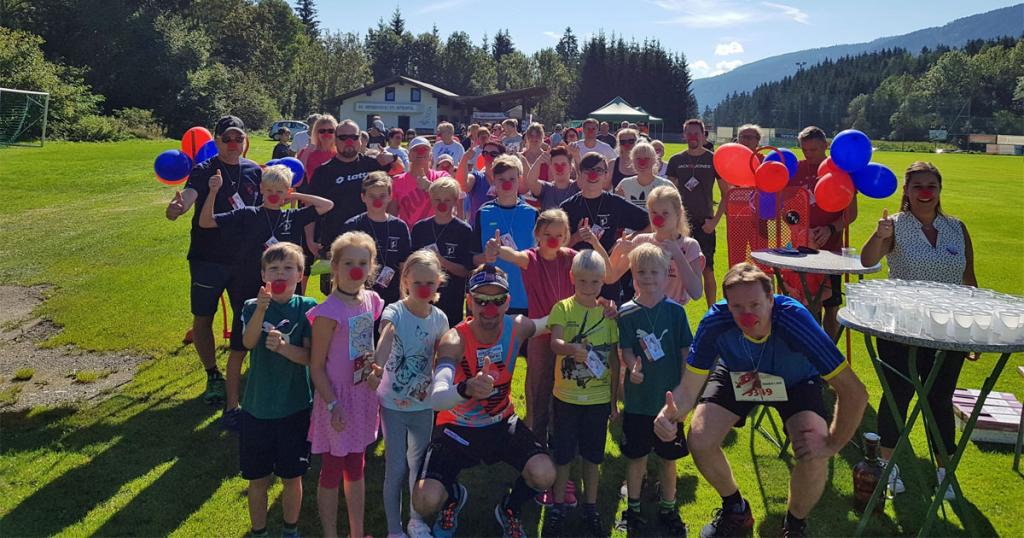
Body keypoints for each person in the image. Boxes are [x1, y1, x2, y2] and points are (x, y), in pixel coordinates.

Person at [654, 263, 869, 538]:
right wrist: (669, 415)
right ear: (727, 304)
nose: (746, 315)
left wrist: (832, 443)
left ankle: (794, 526)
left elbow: (855, 392)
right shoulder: (716, 322)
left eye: (755, 304)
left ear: (771, 298)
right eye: (737, 307)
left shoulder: (794, 320)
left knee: (812, 452)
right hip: (738, 372)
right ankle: (736, 509)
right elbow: (686, 391)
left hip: (796, 381)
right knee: (700, 438)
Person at [860, 161, 977, 500]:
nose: (925, 193)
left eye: (932, 187)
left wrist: (972, 327)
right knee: (899, 394)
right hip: (901, 326)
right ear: (907, 192)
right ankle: (887, 467)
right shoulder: (894, 225)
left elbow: (969, 279)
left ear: (939, 190)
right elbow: (868, 260)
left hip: (948, 327)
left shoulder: (957, 227)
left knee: (941, 397)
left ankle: (945, 470)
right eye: (918, 187)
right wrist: (878, 236)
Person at [412, 265, 555, 538]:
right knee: (424, 501)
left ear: (508, 302)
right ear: (469, 301)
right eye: (481, 301)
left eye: (498, 301)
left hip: (502, 422)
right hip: (457, 426)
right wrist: (465, 388)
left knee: (545, 475)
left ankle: (509, 508)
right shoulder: (454, 339)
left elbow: (553, 319)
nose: (489, 309)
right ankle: (454, 496)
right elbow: (437, 397)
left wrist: (596, 304)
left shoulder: (518, 327)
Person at [199, 165, 333, 426]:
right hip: (248, 289)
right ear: (260, 189)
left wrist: (294, 198)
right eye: (269, 190)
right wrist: (213, 192)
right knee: (240, 348)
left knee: (291, 347)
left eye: (279, 191)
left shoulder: (292, 218)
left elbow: (327, 205)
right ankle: (232, 407)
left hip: (286, 298)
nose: (274, 195)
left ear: (287, 192)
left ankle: (295, 402)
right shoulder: (249, 214)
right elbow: (207, 222)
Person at [483, 209, 610, 456]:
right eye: (547, 234)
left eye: (559, 234)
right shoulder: (531, 258)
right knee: (539, 393)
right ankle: (536, 447)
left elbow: (603, 271)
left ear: (566, 236)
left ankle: (563, 448)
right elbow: (515, 256)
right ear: (538, 234)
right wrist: (498, 250)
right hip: (541, 338)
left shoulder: (572, 258)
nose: (553, 239)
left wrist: (594, 243)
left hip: (571, 336)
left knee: (567, 393)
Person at [165, 115, 262, 406]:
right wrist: (178, 208)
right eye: (227, 139)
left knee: (245, 315)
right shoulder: (204, 170)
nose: (233, 144)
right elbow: (190, 194)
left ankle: (249, 371)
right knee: (203, 318)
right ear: (217, 141)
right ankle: (213, 375)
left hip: (245, 259)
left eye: (238, 139)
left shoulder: (255, 171)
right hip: (208, 258)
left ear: (245, 142)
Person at [237, 242, 317, 538]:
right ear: (263, 275)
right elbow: (246, 343)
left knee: (292, 476)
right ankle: (259, 531)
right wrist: (260, 309)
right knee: (257, 479)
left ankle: (290, 529)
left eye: (288, 268)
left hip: (295, 407)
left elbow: (310, 358)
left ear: (300, 274)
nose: (280, 274)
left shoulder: (308, 308)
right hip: (257, 407)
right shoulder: (250, 305)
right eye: (273, 269)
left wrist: (284, 348)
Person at [308, 232, 384, 538]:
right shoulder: (328, 312)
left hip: (363, 395)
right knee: (331, 470)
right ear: (335, 267)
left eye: (363, 263)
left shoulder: (373, 301)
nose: (356, 269)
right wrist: (332, 404)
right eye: (349, 262)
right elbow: (316, 367)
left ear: (371, 267)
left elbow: (367, 348)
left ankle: (357, 532)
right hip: (336, 400)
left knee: (357, 466)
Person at [370, 250, 450, 538]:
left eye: (431, 283)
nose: (424, 289)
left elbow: (444, 357)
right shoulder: (395, 311)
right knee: (396, 466)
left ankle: (416, 521)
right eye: (418, 283)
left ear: (439, 282)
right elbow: (387, 334)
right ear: (405, 281)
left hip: (422, 406)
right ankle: (394, 530)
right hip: (391, 404)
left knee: (419, 462)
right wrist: (378, 365)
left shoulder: (440, 318)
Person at [615, 244, 691, 536]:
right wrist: (632, 366)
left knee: (668, 461)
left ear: (666, 274)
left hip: (668, 403)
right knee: (636, 458)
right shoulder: (626, 313)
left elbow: (686, 352)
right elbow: (626, 349)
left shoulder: (675, 312)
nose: (648, 277)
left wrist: (685, 391)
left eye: (654, 271)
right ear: (633, 275)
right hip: (637, 402)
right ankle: (632, 508)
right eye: (641, 272)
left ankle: (669, 508)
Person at [544, 250, 620, 537]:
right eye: (583, 281)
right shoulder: (563, 308)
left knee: (593, 455)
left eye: (595, 282)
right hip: (566, 398)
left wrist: (613, 401)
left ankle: (591, 506)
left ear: (603, 282)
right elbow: (555, 341)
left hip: (598, 401)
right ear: (572, 279)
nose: (589, 288)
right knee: (563, 455)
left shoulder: (608, 313)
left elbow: (613, 360)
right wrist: (569, 349)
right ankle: (558, 505)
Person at [305, 119, 396, 294]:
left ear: (361, 140)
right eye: (343, 137)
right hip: (336, 243)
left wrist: (393, 157)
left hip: (372, 241)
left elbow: (398, 177)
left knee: (373, 294)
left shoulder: (372, 164)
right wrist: (310, 239)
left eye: (354, 137)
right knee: (337, 296)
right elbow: (310, 207)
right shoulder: (323, 171)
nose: (349, 142)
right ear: (335, 140)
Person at [791, 126, 858, 340]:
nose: (808, 155)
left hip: (832, 251)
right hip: (803, 250)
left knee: (832, 305)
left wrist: (830, 229)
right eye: (804, 150)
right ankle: (812, 350)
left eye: (813, 150)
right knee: (809, 304)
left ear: (826, 146)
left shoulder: (840, 170)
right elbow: (785, 207)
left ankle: (831, 352)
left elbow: (851, 213)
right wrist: (800, 229)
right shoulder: (796, 169)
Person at [560, 152, 650, 302]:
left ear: (606, 175)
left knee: (608, 321)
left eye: (599, 170)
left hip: (606, 276)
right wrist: (575, 237)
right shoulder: (568, 207)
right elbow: (555, 250)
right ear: (580, 174)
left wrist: (625, 241)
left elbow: (650, 223)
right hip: (575, 277)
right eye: (588, 170)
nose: (593, 175)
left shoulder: (615, 203)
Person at [664, 118, 727, 308]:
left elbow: (727, 194)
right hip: (681, 224)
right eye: (689, 133)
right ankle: (673, 307)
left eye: (696, 133)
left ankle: (712, 310)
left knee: (708, 269)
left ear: (703, 135)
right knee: (674, 268)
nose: (692, 137)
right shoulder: (676, 160)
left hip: (705, 224)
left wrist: (714, 222)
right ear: (684, 135)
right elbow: (669, 194)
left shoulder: (713, 159)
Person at [609, 186, 704, 305]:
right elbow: (610, 277)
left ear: (678, 213)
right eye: (654, 212)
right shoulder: (640, 241)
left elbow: (696, 292)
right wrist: (617, 252)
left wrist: (678, 254)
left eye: (665, 213)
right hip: (642, 310)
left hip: (672, 313)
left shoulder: (690, 245)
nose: (658, 218)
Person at [472, 155, 538, 316]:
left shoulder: (532, 213)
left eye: (512, 179)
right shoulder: (483, 213)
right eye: (501, 179)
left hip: (524, 297)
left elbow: (540, 259)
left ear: (519, 180)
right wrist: (487, 256)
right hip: (491, 297)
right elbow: (472, 259)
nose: (507, 183)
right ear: (494, 180)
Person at [410, 179, 475, 326]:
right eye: (437, 199)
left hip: (451, 300)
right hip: (422, 299)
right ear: (431, 200)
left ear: (455, 200)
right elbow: (411, 266)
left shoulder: (463, 230)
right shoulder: (420, 228)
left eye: (447, 200)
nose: (442, 204)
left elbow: (465, 271)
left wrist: (441, 261)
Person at [343, 172, 411, 308]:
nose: (377, 201)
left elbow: (404, 265)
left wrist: (404, 296)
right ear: (363, 197)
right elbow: (342, 265)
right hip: (358, 296)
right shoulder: (353, 226)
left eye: (382, 196)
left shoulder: (400, 227)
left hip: (391, 298)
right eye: (372, 196)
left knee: (387, 330)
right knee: (362, 330)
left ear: (390, 196)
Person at [392, 137, 447, 226]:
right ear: (409, 155)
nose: (420, 151)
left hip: (436, 234)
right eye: (415, 149)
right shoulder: (397, 181)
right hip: (409, 235)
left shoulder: (442, 176)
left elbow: (451, 197)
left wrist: (430, 187)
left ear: (431, 156)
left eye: (425, 149)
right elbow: (392, 214)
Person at [615, 141, 673, 208]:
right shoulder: (624, 185)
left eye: (647, 159)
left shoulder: (666, 185)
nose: (642, 162)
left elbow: (677, 212)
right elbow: (616, 211)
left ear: (655, 160)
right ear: (632, 161)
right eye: (638, 159)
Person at [456, 139, 502, 221]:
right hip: (478, 230)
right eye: (485, 153)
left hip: (502, 228)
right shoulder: (477, 177)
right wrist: (465, 158)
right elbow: (462, 186)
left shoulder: (508, 178)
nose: (488, 156)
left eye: (493, 154)